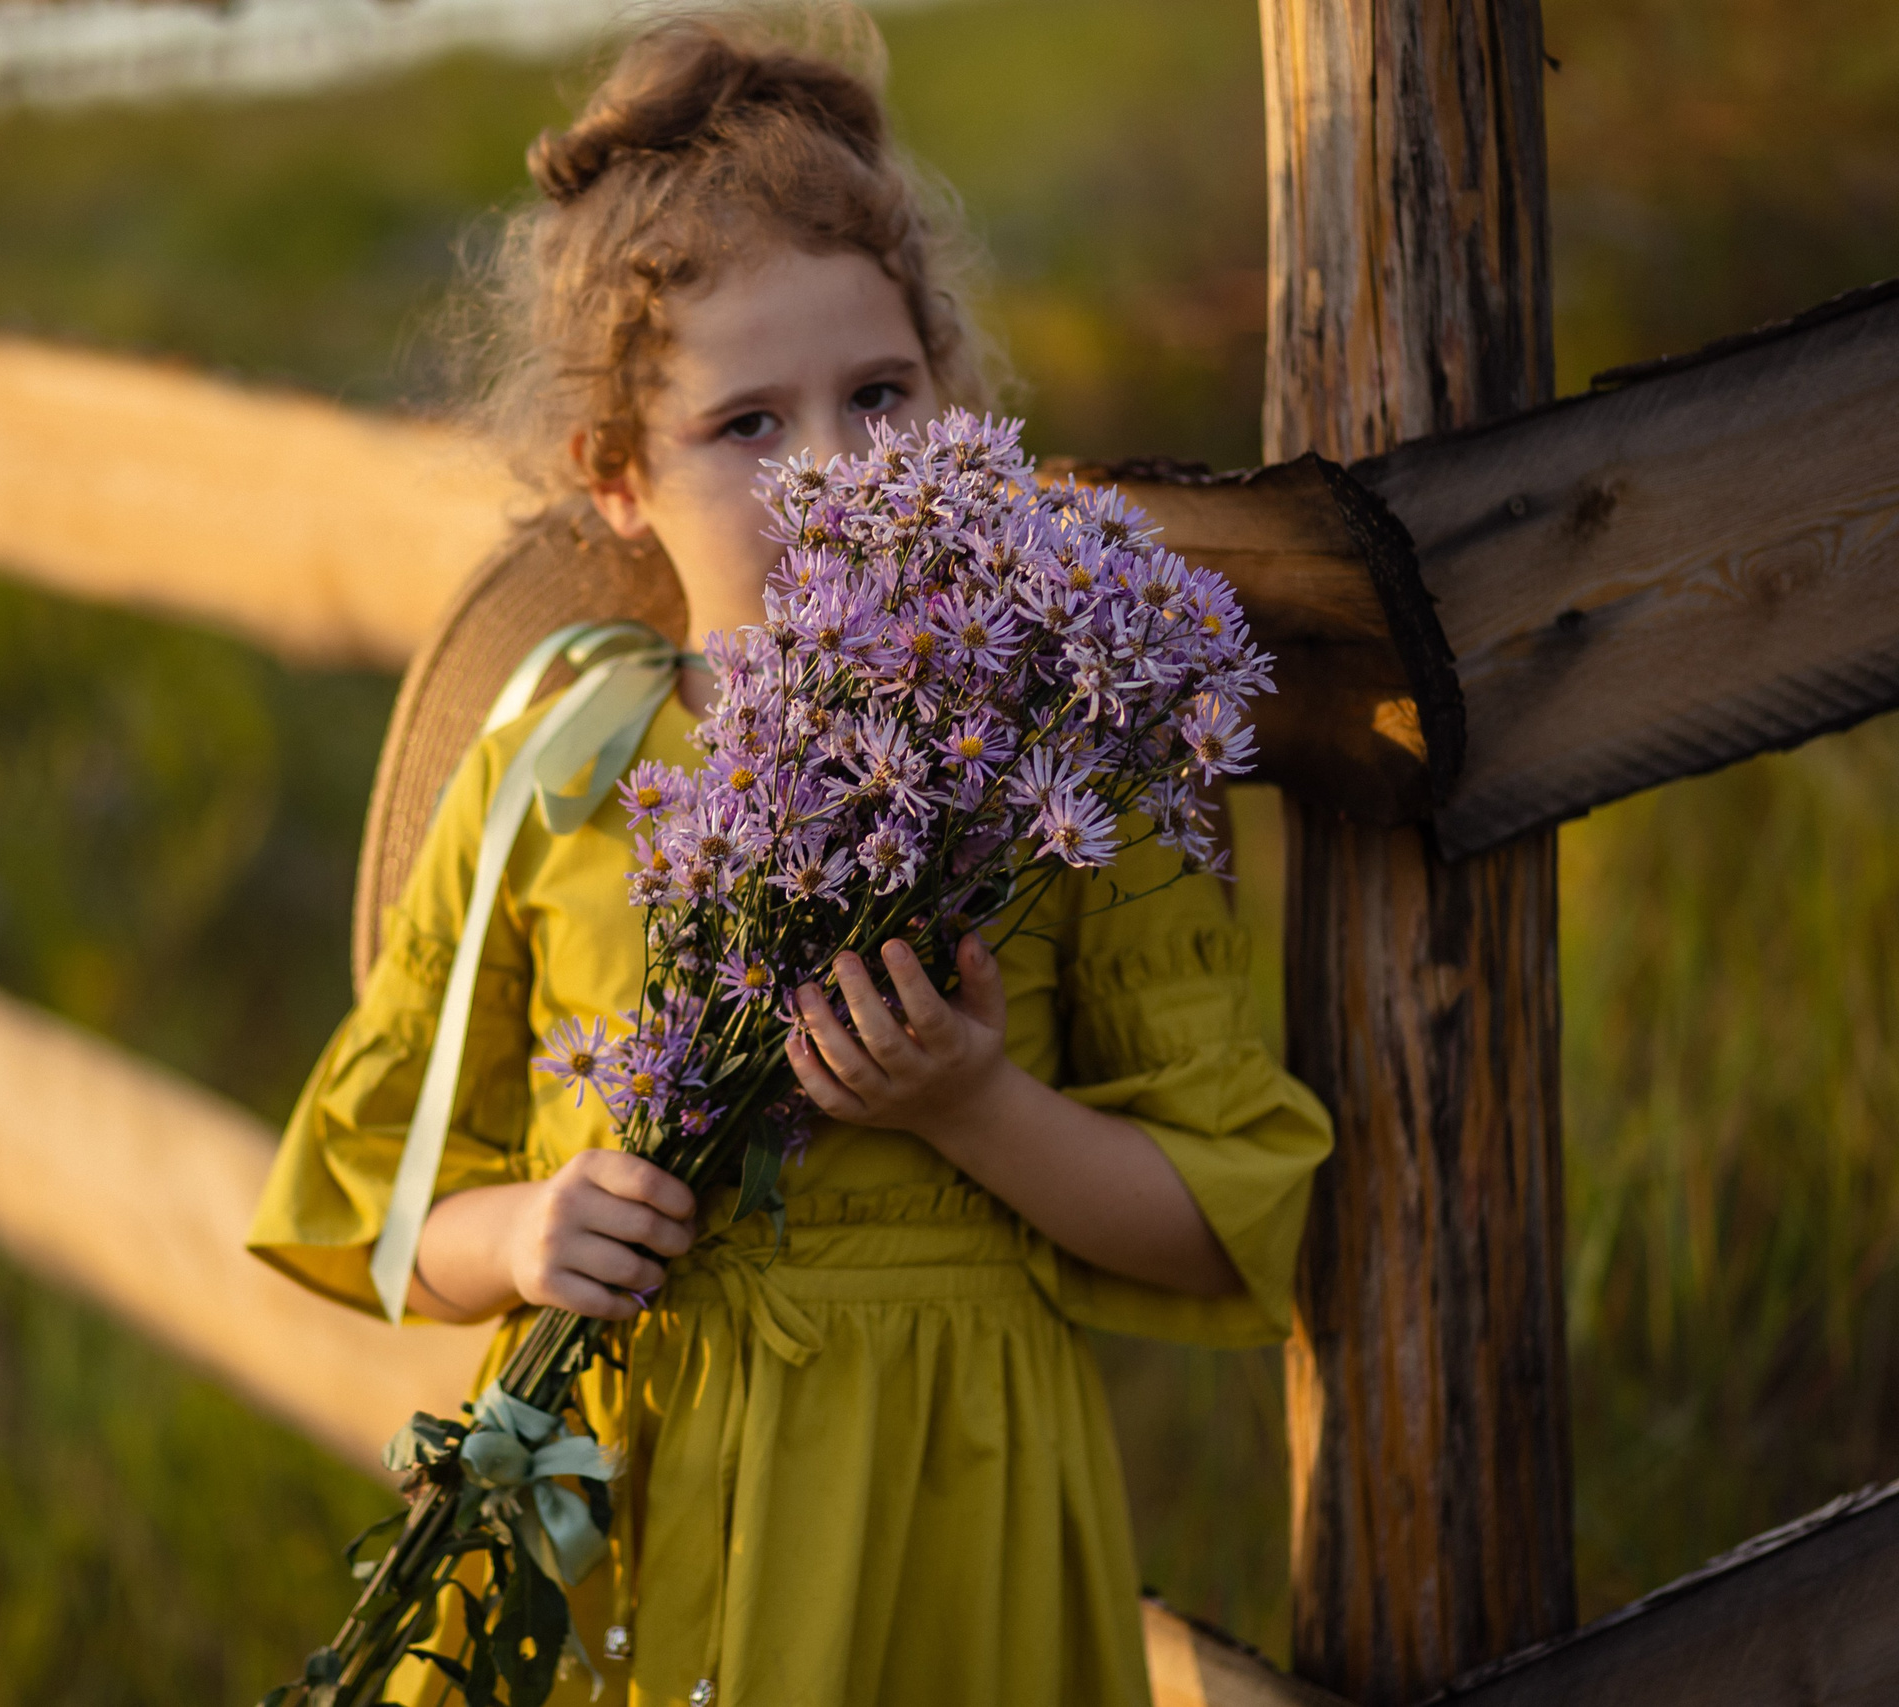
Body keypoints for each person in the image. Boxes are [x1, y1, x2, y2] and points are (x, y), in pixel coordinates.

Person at [247, 16, 1333, 1705]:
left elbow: (1228, 1220)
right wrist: (528, 1232)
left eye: (879, 397)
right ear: (617, 478)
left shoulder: (1053, 762)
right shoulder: (561, 762)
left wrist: (975, 1104)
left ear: (950, 408)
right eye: (747, 425)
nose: (833, 471)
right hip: (622, 1510)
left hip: (939, 1526)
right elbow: (366, 1202)